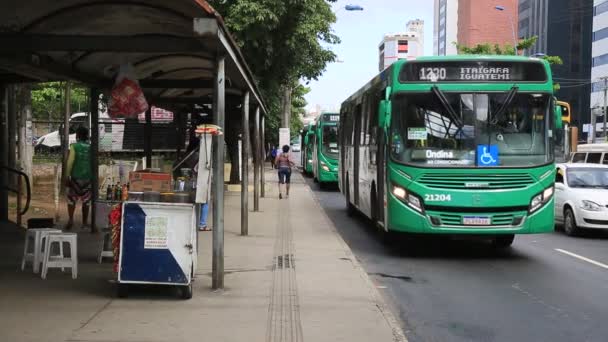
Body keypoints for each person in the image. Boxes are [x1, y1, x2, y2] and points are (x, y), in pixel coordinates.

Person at [65, 126, 94, 232]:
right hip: (88, 178)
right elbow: (94, 163)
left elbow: (70, 162)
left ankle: (71, 219)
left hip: (75, 178)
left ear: (77, 135)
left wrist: (67, 176)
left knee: (71, 199)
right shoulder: (91, 147)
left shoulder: (74, 147)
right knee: (86, 201)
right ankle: (85, 222)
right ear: (87, 136)